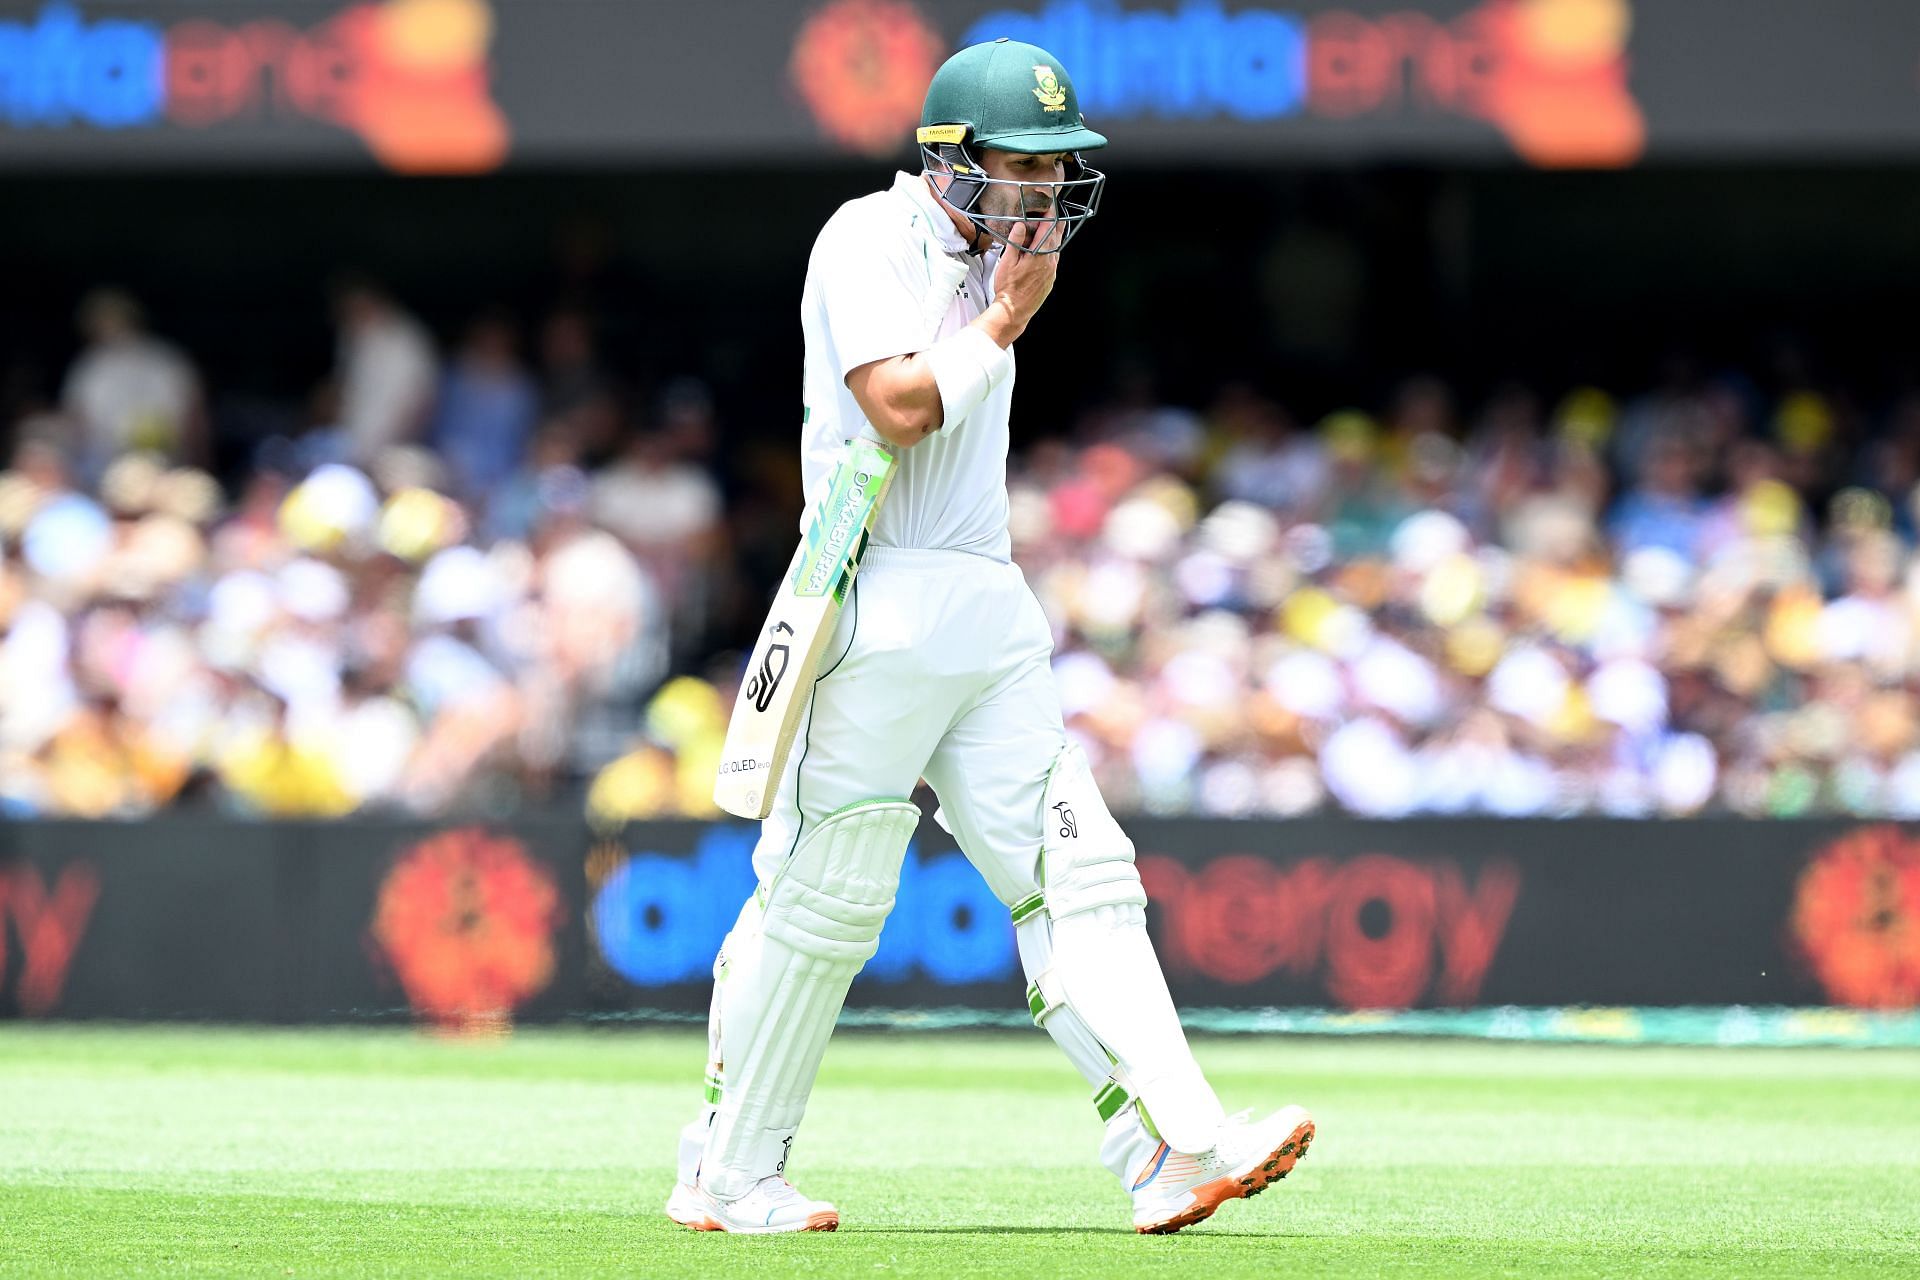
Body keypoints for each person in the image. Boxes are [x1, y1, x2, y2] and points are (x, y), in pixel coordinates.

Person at [665, 38, 1313, 1236]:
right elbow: (900, 406)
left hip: (986, 600)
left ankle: (1173, 1144)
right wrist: (1003, 322)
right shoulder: (865, 236)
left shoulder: (1004, 261)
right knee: (825, 894)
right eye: (1026, 164)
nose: (1049, 193)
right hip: (874, 594)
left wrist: (1004, 305)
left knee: (1082, 871)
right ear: (951, 160)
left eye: (1063, 167)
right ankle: (728, 1170)